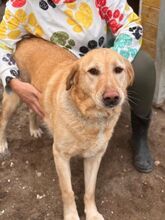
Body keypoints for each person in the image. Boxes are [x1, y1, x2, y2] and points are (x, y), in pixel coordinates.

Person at [0, 0, 156, 172]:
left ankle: (140, 135)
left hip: (98, 57)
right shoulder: (22, 4)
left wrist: (111, 65)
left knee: (143, 65)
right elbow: (2, 44)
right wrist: (14, 83)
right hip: (54, 63)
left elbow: (130, 24)